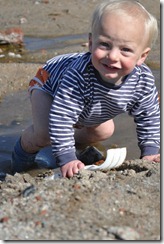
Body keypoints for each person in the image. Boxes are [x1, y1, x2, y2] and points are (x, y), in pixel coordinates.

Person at [11, 0, 160, 178]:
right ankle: (21, 159)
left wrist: (150, 150)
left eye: (125, 49)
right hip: (49, 83)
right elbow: (62, 117)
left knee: (104, 131)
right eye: (104, 44)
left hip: (87, 103)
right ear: (91, 43)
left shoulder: (142, 80)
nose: (112, 56)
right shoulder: (79, 75)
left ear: (142, 56)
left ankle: (69, 146)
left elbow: (149, 116)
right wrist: (66, 159)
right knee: (44, 134)